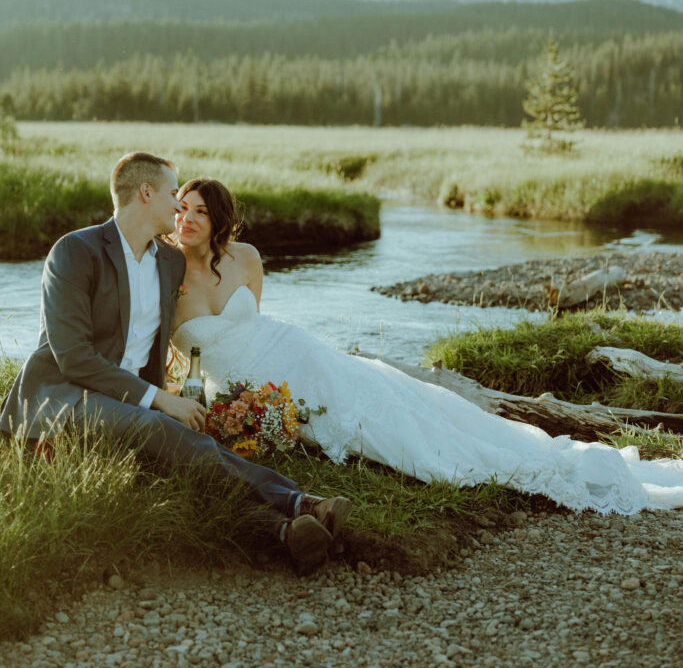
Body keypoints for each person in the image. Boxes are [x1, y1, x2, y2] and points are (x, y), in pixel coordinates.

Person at [172, 177, 683, 516]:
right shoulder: (164, 276)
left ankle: (547, 461)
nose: (188, 219)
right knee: (383, 434)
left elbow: (255, 324)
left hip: (300, 354)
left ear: (219, 220)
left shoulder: (246, 258)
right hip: (252, 390)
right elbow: (164, 354)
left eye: (200, 211)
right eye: (182, 210)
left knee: (395, 399)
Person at [0, 153, 351, 574]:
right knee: (157, 427)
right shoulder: (75, 251)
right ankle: (298, 501)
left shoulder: (170, 263)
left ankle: (283, 532)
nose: (178, 208)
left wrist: (176, 391)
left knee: (166, 468)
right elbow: (73, 358)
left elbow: (173, 336)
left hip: (126, 401)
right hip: (65, 396)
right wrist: (158, 400)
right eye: (174, 195)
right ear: (146, 193)